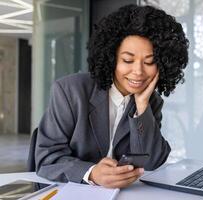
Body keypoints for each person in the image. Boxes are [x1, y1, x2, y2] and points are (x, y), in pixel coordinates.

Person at [35, 4, 189, 188]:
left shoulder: (150, 102)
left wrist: (142, 107)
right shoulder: (70, 91)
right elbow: (46, 159)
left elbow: (153, 161)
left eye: (150, 62)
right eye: (128, 60)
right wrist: (91, 173)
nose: (138, 71)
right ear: (111, 57)